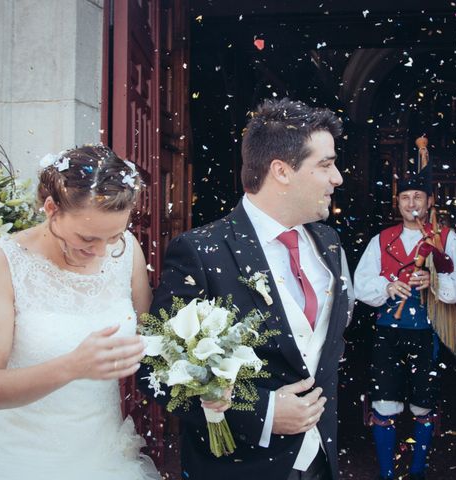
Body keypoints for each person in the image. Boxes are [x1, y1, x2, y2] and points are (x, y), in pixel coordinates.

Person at [138, 98, 353, 480]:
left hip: (320, 459)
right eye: (325, 165)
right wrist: (262, 412)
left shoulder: (329, 244)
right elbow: (153, 368)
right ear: (282, 171)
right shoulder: (201, 251)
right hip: (238, 466)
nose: (337, 178)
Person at [0, 145, 162, 480]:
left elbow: (153, 345)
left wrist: (203, 379)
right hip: (23, 459)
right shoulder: (2, 261)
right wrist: (73, 366)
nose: (101, 250)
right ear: (51, 209)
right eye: (87, 237)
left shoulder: (127, 251)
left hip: (106, 456)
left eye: (112, 236)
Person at [353, 139, 456, 480]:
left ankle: (417, 471)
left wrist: (434, 285)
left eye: (418, 196)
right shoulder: (382, 238)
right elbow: (361, 284)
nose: (411, 203)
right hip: (387, 334)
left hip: (427, 333)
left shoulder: (444, 237)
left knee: (424, 405)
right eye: (405, 198)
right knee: (384, 404)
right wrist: (388, 287)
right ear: (398, 203)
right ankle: (387, 473)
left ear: (429, 201)